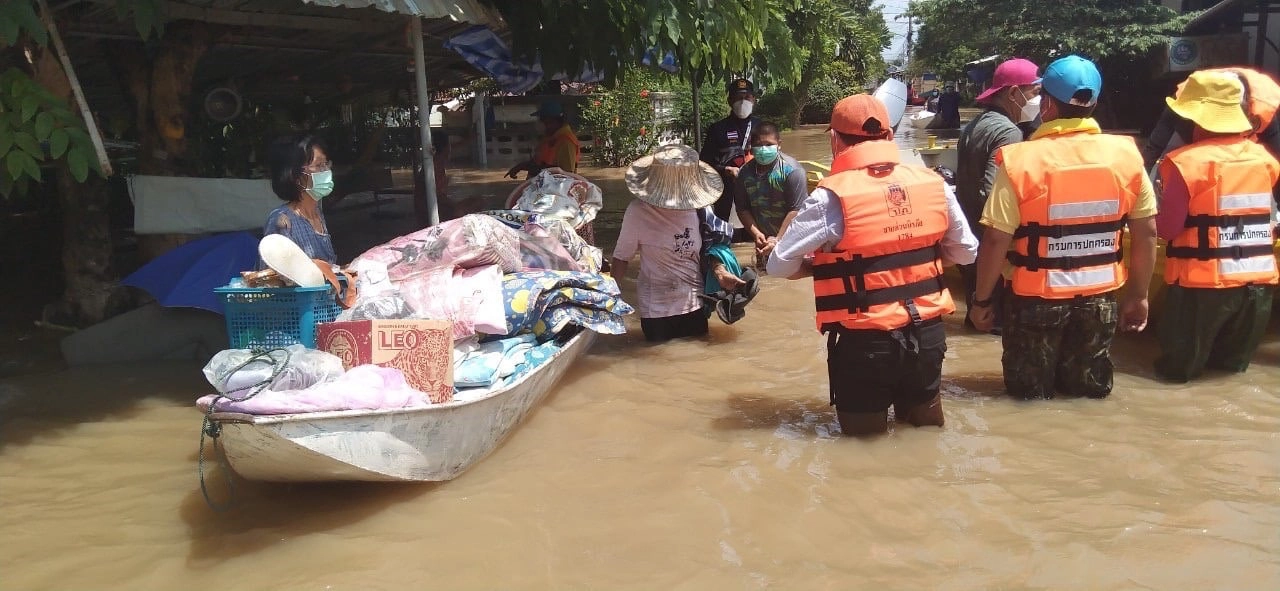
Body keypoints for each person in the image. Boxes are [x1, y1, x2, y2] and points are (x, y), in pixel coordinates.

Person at [767, 94, 978, 436]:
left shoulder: (829, 197)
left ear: (835, 140)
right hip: (926, 334)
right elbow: (967, 251)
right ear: (890, 137)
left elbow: (778, 266)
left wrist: (819, 267)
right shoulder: (933, 183)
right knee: (926, 433)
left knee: (862, 449)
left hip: (864, 344)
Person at [969, 55, 1159, 400]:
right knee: (1088, 397)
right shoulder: (1127, 156)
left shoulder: (1020, 160)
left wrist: (982, 301)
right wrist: (1139, 295)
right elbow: (1147, 233)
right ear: (1095, 102)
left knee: (1027, 399)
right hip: (1100, 301)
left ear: (1046, 105)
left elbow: (997, 239)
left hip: (1034, 302)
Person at [1152, 70, 1280, 382]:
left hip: (1201, 290)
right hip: (1257, 289)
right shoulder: (1265, 159)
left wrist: (1151, 209)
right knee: (1228, 377)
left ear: (1198, 120)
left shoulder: (1183, 164)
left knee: (1177, 375)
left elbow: (1168, 229)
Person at [611, 144, 743, 342]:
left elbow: (711, 247)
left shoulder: (701, 208)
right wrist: (610, 297)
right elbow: (621, 258)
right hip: (655, 310)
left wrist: (721, 273)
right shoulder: (638, 211)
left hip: (695, 305)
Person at [955, 58, 1040, 332]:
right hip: (992, 248)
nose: (1037, 101)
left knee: (976, 319)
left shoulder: (974, 125)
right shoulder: (1009, 132)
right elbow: (990, 193)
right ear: (1014, 93)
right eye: (1034, 93)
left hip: (970, 240)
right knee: (997, 328)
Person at [1143, 66, 1280, 206]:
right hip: (1188, 131)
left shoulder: (1263, 111)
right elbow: (1154, 147)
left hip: (1243, 141)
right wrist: (1141, 203)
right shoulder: (1186, 101)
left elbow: (1277, 158)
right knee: (1169, 176)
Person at [733, 122, 807, 270]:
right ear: (751, 146)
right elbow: (742, 208)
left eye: (768, 144)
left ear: (779, 144)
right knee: (764, 274)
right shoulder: (745, 173)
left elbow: (797, 209)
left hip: (791, 238)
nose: (763, 149)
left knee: (793, 274)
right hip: (761, 240)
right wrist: (756, 233)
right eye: (758, 145)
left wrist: (778, 239)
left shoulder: (792, 171)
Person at [263, 134, 337, 264]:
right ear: (295, 176)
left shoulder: (317, 212)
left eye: (326, 164)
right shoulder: (282, 221)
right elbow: (273, 278)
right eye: (319, 165)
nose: (326, 171)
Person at [700, 78, 761, 228]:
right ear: (729, 101)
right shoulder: (717, 129)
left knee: (757, 230)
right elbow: (704, 162)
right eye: (738, 98)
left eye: (747, 97)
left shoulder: (763, 127)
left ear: (754, 100)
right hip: (725, 191)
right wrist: (725, 170)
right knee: (723, 229)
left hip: (757, 191)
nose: (743, 102)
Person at [505, 100, 579, 179]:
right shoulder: (549, 137)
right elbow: (539, 162)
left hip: (553, 188)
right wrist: (520, 166)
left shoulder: (566, 141)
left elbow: (567, 174)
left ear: (552, 120)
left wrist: (537, 170)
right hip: (540, 186)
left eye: (542, 120)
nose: (540, 122)